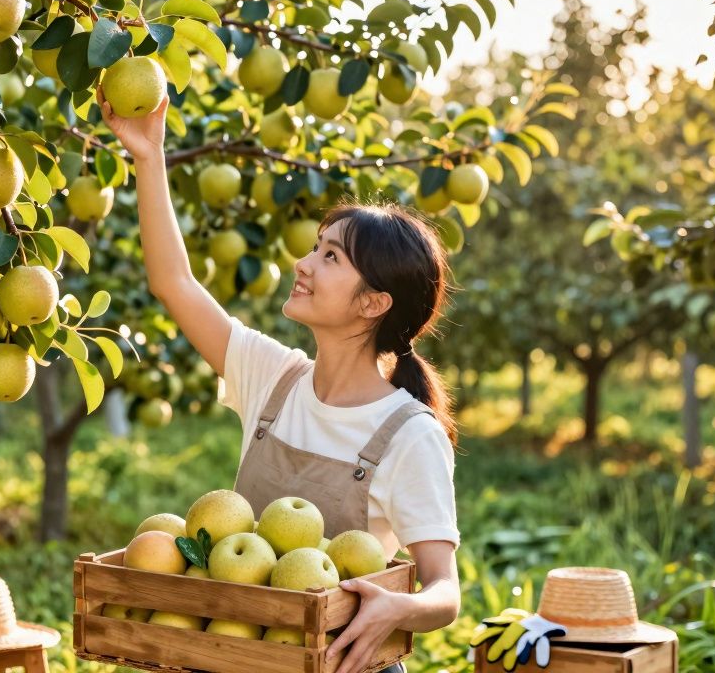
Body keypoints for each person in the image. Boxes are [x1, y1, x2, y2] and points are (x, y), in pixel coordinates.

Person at [100, 89, 461, 673]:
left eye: (331, 258)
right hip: (240, 652)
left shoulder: (408, 434)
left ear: (372, 303)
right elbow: (175, 284)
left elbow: (445, 590)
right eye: (316, 248)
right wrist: (148, 156)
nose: (304, 263)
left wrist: (398, 608)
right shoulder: (275, 377)